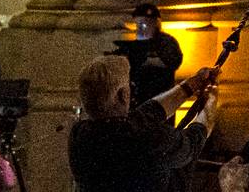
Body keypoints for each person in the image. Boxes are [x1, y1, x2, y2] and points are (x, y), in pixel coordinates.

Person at [68, 54, 220, 192]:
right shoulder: (150, 139)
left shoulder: (79, 135)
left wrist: (190, 85)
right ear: (123, 95)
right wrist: (211, 100)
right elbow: (194, 141)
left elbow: (148, 113)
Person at [115, 5, 184, 107]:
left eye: (144, 24)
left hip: (160, 99)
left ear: (155, 23)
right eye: (138, 25)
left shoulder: (167, 42)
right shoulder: (136, 46)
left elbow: (173, 61)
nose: (140, 29)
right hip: (139, 101)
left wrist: (149, 60)